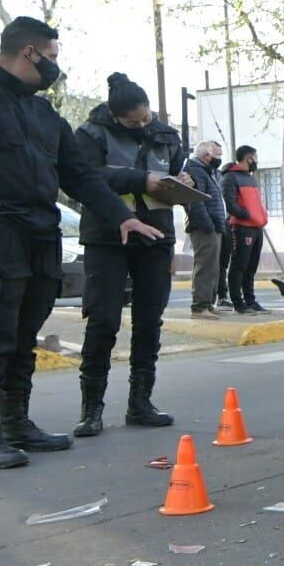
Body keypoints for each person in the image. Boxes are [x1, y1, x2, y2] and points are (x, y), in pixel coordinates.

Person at [0, 16, 162, 470]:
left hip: (39, 236)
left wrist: (122, 216)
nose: (55, 66)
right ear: (30, 53)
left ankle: (15, 422)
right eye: (52, 57)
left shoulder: (46, 116)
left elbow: (80, 175)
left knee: (23, 335)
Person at [69, 73, 188, 437]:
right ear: (115, 116)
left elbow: (176, 172)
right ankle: (91, 409)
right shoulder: (90, 134)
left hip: (156, 235)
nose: (141, 126)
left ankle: (141, 403)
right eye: (132, 123)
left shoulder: (167, 135)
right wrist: (141, 180)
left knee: (149, 320)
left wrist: (186, 182)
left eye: (145, 118)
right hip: (107, 237)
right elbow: (86, 178)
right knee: (103, 320)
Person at [221, 145, 268, 314]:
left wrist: (261, 215)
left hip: (257, 227)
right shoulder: (230, 177)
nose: (257, 161)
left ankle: (250, 300)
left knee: (251, 267)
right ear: (249, 158)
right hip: (241, 228)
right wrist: (248, 215)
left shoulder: (251, 178)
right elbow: (231, 204)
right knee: (239, 266)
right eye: (255, 157)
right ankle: (238, 303)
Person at [182, 140, 226, 319]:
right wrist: (207, 224)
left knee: (213, 266)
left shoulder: (208, 171)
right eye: (217, 155)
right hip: (204, 226)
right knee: (205, 265)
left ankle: (208, 303)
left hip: (213, 225)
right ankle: (200, 307)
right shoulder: (196, 170)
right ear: (207, 155)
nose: (219, 159)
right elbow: (195, 199)